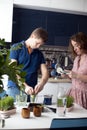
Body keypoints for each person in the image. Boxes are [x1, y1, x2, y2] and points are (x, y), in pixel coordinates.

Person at [7, 27, 49, 101]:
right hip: (15, 88)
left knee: (29, 112)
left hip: (31, 90)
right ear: (32, 36)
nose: (38, 46)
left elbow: (45, 72)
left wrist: (41, 84)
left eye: (40, 44)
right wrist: (25, 86)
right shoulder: (16, 48)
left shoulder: (39, 54)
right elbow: (12, 70)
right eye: (37, 43)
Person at [65, 32, 87, 109]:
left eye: (76, 45)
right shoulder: (77, 59)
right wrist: (67, 75)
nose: (74, 49)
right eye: (73, 46)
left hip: (84, 96)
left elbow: (77, 76)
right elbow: (75, 78)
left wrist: (76, 75)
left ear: (83, 43)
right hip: (73, 94)